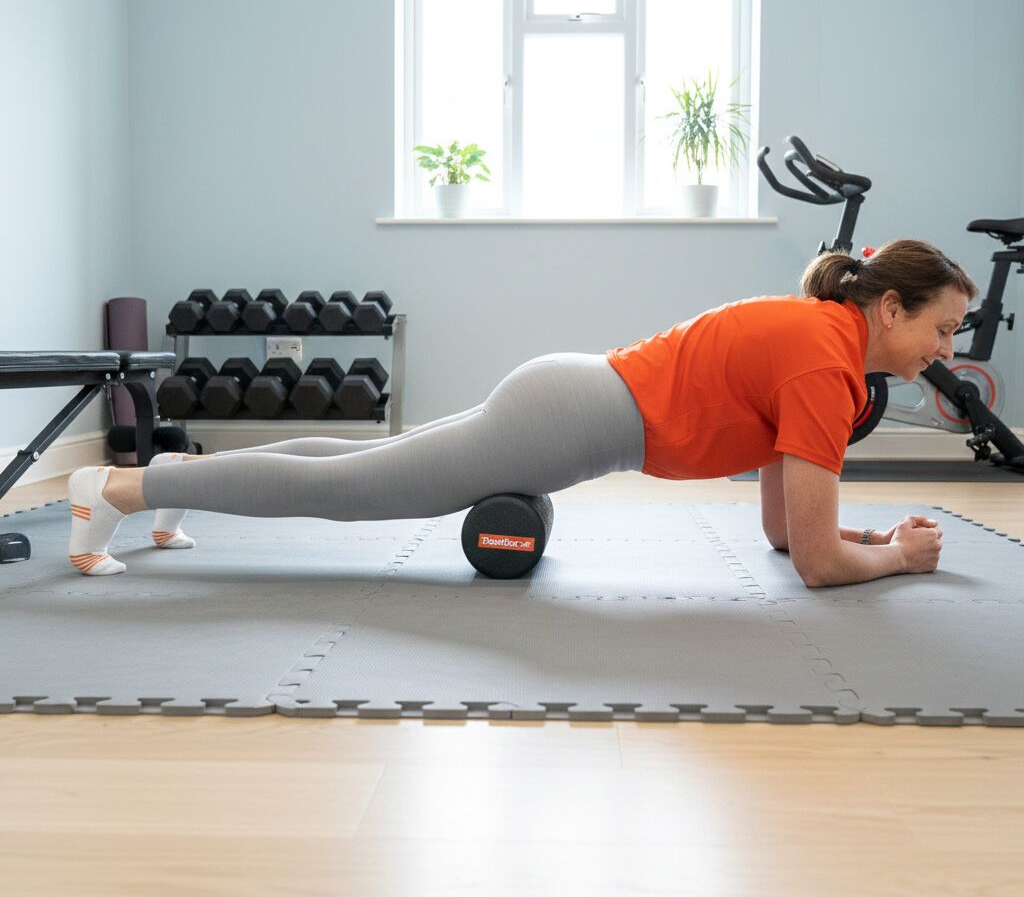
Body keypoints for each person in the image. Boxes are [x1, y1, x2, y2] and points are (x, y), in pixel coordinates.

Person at [67, 239, 977, 587]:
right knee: (350, 490)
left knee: (354, 463)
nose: (944, 350)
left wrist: (859, 539)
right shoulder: (827, 365)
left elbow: (786, 536)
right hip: (568, 422)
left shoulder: (823, 341)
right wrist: (898, 557)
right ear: (890, 310)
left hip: (569, 398)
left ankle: (170, 480)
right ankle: (115, 489)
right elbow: (815, 566)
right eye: (941, 328)